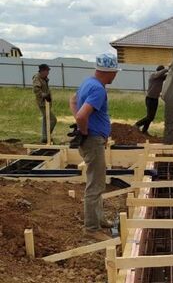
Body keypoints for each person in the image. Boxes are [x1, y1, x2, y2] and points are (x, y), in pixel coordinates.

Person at [69, 52, 121, 241]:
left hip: (92, 139)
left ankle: (98, 219)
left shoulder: (88, 83)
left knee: (98, 180)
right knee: (95, 184)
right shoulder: (98, 89)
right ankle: (91, 228)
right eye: (115, 72)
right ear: (109, 72)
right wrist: (83, 130)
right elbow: (82, 115)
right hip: (92, 140)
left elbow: (73, 100)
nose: (116, 75)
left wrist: (81, 124)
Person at [135, 65, 168, 133]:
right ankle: (137, 125)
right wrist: (167, 69)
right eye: (162, 72)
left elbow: (169, 76)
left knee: (151, 117)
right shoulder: (153, 75)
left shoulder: (161, 78)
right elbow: (159, 74)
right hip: (149, 99)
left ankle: (144, 131)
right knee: (149, 117)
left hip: (155, 99)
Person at [32, 63, 57, 143]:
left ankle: (44, 137)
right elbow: (36, 90)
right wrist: (45, 95)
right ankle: (46, 136)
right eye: (47, 71)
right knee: (53, 120)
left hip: (47, 102)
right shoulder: (37, 78)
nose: (48, 73)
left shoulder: (44, 78)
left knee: (46, 120)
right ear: (42, 71)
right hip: (42, 103)